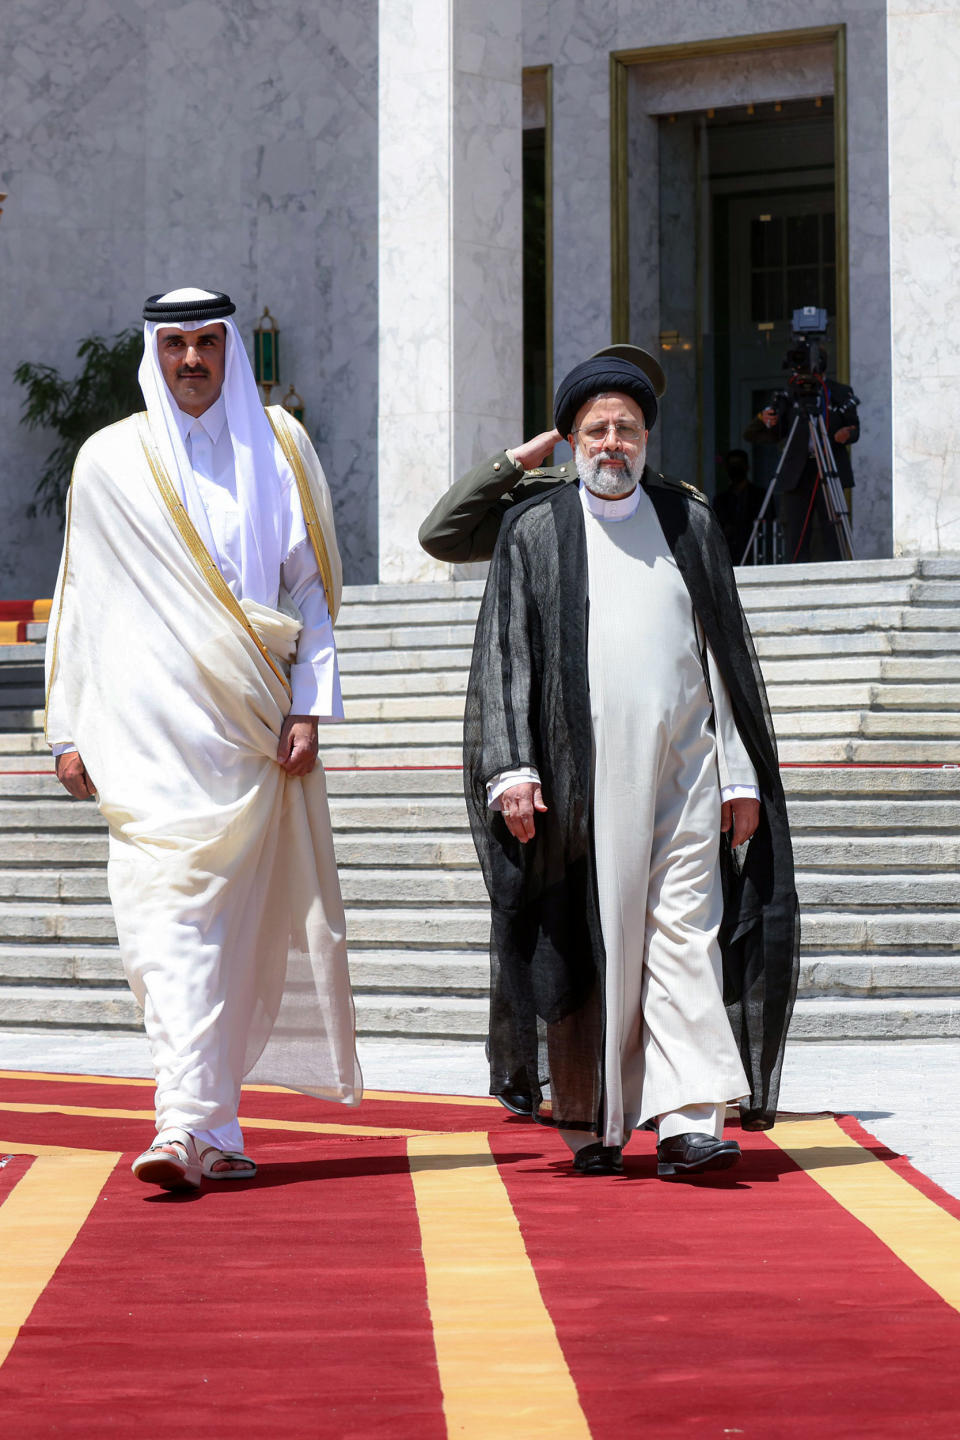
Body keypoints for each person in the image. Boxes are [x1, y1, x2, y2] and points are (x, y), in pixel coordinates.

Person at [433, 355, 798, 1178]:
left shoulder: (688, 522)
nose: (611, 443)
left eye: (626, 429)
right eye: (595, 429)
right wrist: (512, 768)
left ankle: (688, 1120)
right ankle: (599, 1118)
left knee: (685, 934)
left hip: (687, 768)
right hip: (578, 778)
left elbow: (724, 656)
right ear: (570, 440)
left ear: (645, 440)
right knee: (595, 942)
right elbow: (508, 657)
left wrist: (739, 775)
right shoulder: (536, 526)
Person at [45, 287, 361, 1190]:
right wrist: (68, 728)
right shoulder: (108, 460)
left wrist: (310, 706)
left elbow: (310, 592)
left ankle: (210, 1129)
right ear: (155, 351)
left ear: (229, 350)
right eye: (175, 344)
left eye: (206, 344)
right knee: (162, 925)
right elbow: (80, 601)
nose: (191, 360)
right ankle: (184, 1123)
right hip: (143, 733)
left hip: (247, 730)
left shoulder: (283, 447)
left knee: (230, 937)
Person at [743, 369, 860, 563]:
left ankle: (837, 571)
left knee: (832, 528)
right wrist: (763, 419)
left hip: (829, 466)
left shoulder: (839, 392)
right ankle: (795, 573)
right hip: (796, 472)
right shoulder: (789, 395)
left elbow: (855, 429)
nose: (806, 374)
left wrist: (848, 433)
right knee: (795, 530)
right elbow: (758, 433)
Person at [713, 449, 764, 564]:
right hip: (730, 557)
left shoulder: (760, 496)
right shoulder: (721, 500)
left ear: (747, 467)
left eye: (739, 464)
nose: (735, 468)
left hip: (756, 553)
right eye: (732, 465)